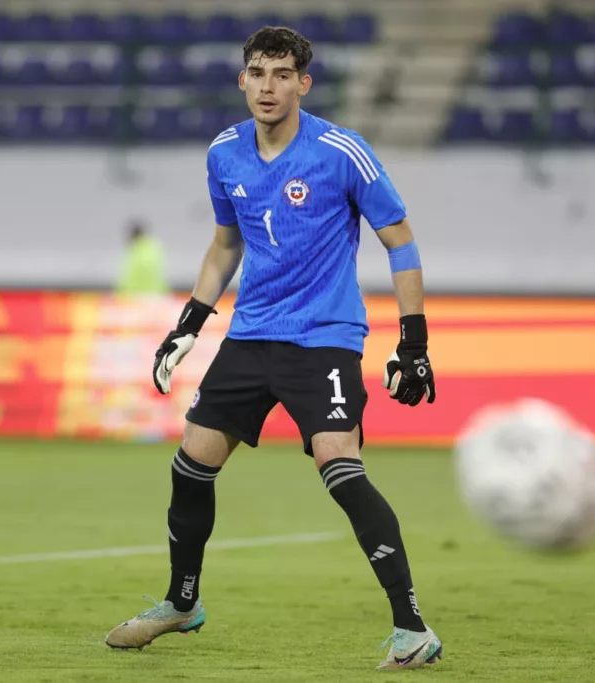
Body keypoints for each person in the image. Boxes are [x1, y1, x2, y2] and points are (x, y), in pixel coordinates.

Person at [104, 26, 442, 671]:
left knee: (339, 466)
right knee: (191, 462)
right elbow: (225, 245)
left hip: (323, 338)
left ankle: (412, 627)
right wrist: (188, 324)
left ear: (303, 84)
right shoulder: (224, 153)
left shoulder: (342, 151)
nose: (268, 86)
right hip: (252, 334)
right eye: (258, 73)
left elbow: (400, 239)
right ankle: (182, 602)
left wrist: (415, 339)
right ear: (242, 80)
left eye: (283, 74)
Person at [116, 220, 170, 296]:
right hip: (156, 296)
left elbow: (125, 276)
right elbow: (162, 274)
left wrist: (119, 293)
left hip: (133, 296)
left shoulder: (133, 250)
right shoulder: (156, 247)